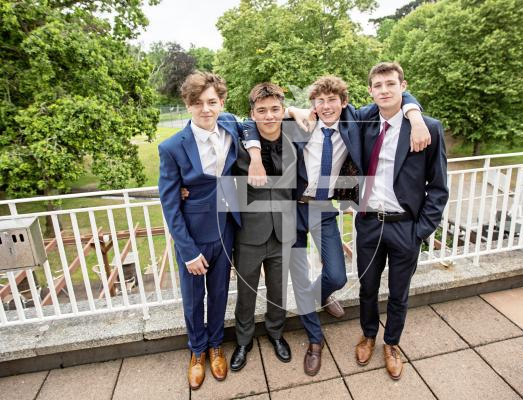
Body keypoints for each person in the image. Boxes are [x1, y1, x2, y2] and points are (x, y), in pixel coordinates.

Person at [244, 75, 431, 376]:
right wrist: (289, 112)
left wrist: (415, 115)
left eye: (333, 100)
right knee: (300, 278)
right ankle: (315, 340)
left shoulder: (354, 122)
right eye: (320, 101)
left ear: (344, 103)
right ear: (313, 105)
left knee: (337, 275)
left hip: (323, 208)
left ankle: (322, 294)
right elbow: (252, 122)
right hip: (292, 209)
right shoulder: (298, 124)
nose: (327, 106)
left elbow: (394, 100)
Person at [158, 71, 263, 390]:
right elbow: (170, 203)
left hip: (227, 227)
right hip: (193, 233)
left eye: (212, 102)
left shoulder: (230, 124)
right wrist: (187, 251)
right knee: (193, 298)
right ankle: (197, 351)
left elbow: (252, 124)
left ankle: (216, 345)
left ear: (221, 102)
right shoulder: (172, 147)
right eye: (198, 103)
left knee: (218, 293)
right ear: (188, 105)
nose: (206, 109)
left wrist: (256, 154)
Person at [353, 62, 448, 380]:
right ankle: (368, 334)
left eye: (390, 84)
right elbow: (331, 107)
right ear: (370, 90)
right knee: (367, 287)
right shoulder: (365, 121)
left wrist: (420, 232)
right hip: (369, 223)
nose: (384, 90)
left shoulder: (428, 128)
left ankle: (391, 343)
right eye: (377, 85)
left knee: (398, 292)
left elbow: (438, 188)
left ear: (403, 86)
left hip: (405, 226)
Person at [228, 83, 297, 371]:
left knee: (278, 290)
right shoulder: (239, 142)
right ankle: (243, 340)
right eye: (261, 111)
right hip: (249, 234)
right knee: (246, 292)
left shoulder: (296, 138)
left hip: (283, 230)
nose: (269, 116)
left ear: (283, 111)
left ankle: (276, 333)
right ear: (252, 114)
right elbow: (219, 117)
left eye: (275, 109)